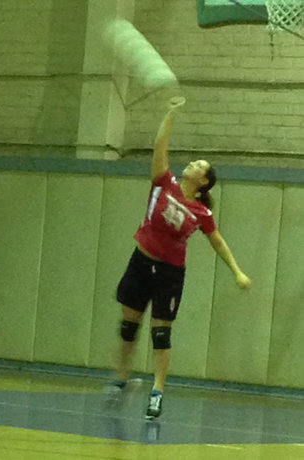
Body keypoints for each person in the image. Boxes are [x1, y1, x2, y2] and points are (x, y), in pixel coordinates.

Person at [108, 97, 251, 420]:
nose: (192, 164)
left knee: (161, 334)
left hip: (170, 273)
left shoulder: (201, 212)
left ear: (204, 182)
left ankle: (157, 392)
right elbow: (161, 145)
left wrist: (237, 271)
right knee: (129, 327)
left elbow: (218, 242)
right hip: (140, 262)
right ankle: (122, 378)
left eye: (199, 165)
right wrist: (171, 113)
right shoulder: (164, 183)